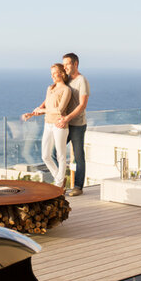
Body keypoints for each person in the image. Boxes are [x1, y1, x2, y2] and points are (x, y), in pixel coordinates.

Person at [22, 63, 72, 188]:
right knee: (45, 156)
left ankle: (59, 184)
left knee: (60, 156)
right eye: (51, 74)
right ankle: (59, 179)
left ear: (62, 73)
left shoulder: (66, 90)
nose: (53, 76)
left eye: (55, 73)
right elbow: (46, 107)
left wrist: (43, 111)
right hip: (47, 124)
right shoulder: (50, 88)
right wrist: (32, 114)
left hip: (59, 125)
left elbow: (60, 110)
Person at [55, 53, 89, 197]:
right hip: (64, 124)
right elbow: (54, 93)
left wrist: (67, 118)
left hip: (77, 124)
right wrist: (40, 109)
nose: (65, 67)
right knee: (53, 152)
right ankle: (60, 182)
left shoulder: (82, 81)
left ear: (75, 64)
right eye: (64, 64)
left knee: (78, 156)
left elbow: (82, 105)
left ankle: (78, 187)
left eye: (67, 64)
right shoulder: (66, 80)